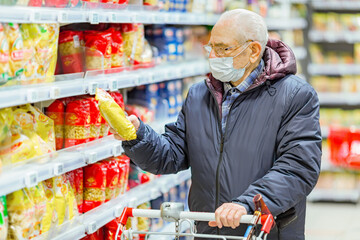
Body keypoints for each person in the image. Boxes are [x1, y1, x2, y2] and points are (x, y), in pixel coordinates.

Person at [111, 9, 322, 240]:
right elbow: (171, 156)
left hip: (262, 230)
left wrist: (246, 204)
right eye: (211, 47)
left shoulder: (295, 96)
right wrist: (138, 135)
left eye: (223, 48)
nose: (213, 56)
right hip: (208, 231)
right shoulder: (199, 95)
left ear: (253, 51)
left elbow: (298, 168)